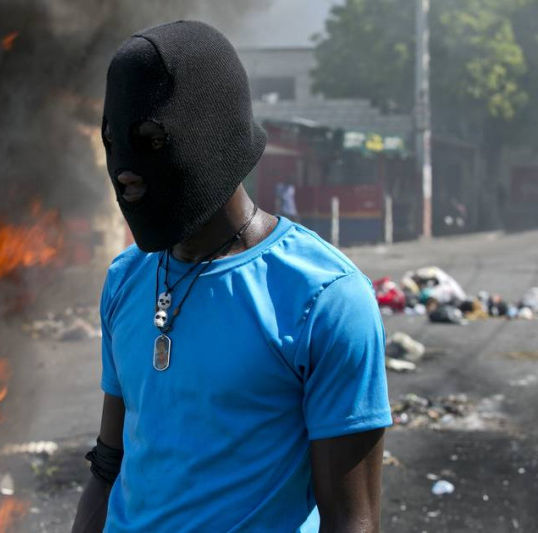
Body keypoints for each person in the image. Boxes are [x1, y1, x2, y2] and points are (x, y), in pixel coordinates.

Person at [72, 21, 391, 533]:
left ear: (211, 132)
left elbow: (351, 520)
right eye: (112, 140)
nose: (124, 168)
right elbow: (108, 467)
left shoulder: (324, 298)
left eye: (149, 140)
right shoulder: (125, 279)